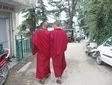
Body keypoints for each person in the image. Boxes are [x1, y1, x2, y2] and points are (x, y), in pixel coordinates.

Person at [32, 20, 50, 84]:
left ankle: (42, 79)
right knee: (46, 64)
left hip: (41, 52)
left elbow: (34, 42)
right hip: (48, 51)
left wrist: (34, 50)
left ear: (42, 26)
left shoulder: (38, 32)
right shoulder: (49, 33)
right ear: (47, 27)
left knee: (41, 65)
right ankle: (47, 74)